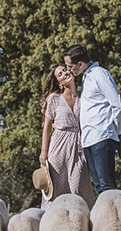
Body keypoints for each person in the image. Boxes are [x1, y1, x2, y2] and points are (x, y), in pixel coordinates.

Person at [63, 44, 121, 194]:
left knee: (107, 187)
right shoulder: (86, 77)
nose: (68, 70)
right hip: (89, 140)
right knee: (99, 187)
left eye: (70, 66)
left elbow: (118, 106)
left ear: (80, 64)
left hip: (102, 137)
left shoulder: (99, 75)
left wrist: (117, 132)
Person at [38, 64, 97, 208]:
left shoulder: (84, 96)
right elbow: (47, 126)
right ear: (59, 83)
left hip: (78, 146)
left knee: (78, 188)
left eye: (65, 70)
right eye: (60, 74)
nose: (65, 73)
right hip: (58, 147)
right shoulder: (54, 99)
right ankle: (48, 224)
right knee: (55, 191)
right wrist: (44, 151)